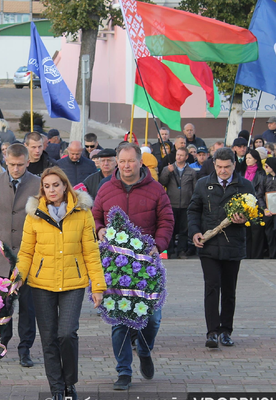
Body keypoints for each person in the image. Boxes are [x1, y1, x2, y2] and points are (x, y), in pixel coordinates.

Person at [17, 166, 105, 400]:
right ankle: (56, 389)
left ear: (65, 185)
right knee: (48, 338)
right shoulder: (33, 214)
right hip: (41, 284)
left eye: (56, 185)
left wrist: (98, 287)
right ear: (42, 189)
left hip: (73, 283)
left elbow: (91, 252)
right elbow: (26, 252)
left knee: (66, 334)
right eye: (47, 186)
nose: (51, 190)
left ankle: (70, 383)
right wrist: (18, 278)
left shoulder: (82, 212)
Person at [92, 143, 173, 391]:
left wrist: (158, 245)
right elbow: (94, 216)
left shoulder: (157, 190)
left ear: (140, 162)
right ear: (117, 162)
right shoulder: (106, 189)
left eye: (131, 161)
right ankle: (124, 371)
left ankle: (145, 351)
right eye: (122, 161)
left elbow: (167, 220)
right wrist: (99, 228)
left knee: (152, 319)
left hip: (146, 265)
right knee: (120, 320)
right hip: (116, 266)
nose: (126, 166)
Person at [0, 143, 40, 367]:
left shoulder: (37, 183)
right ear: (5, 160)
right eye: (12, 164)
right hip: (0, 257)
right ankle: (2, 343)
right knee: (2, 306)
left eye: (20, 165)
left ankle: (25, 349)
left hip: (28, 257)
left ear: (27, 162)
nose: (16, 169)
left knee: (27, 307)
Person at [189, 147, 256, 348]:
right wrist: (194, 231)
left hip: (233, 245)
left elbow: (255, 214)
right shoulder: (203, 184)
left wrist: (245, 218)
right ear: (214, 165)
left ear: (234, 165)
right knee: (211, 287)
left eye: (227, 167)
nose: (223, 171)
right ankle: (212, 332)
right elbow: (193, 210)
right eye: (219, 167)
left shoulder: (245, 185)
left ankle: (226, 331)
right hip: (208, 245)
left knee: (229, 290)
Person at [159, 147, 197, 259]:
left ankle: (182, 251)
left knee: (183, 230)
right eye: (177, 154)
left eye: (181, 155)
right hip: (171, 204)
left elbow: (195, 189)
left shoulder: (192, 172)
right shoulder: (169, 168)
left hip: (186, 204)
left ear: (186, 157)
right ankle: (170, 252)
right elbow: (162, 182)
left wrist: (193, 203)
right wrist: (167, 172)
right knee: (170, 229)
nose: (179, 157)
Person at [244, 149, 267, 259]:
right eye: (246, 158)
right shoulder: (242, 172)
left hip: (256, 205)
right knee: (246, 232)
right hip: (244, 206)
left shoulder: (261, 173)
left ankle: (257, 255)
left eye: (249, 158)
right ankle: (247, 254)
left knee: (256, 232)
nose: (247, 160)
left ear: (256, 159)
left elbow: (261, 190)